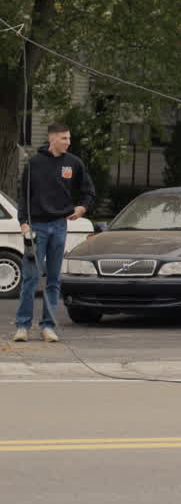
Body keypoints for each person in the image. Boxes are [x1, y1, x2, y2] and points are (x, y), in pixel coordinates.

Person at [15, 123, 96, 343]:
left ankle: (48, 326)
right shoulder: (34, 164)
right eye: (64, 138)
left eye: (69, 138)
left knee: (53, 280)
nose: (68, 142)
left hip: (60, 226)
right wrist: (23, 223)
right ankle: (22, 325)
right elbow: (24, 196)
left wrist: (82, 208)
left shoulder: (74, 163)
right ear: (52, 139)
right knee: (31, 278)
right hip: (37, 227)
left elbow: (89, 190)